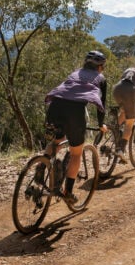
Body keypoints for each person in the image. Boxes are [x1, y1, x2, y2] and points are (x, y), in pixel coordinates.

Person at [41, 50, 108, 204]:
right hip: (75, 113)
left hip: (54, 107)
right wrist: (101, 125)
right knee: (76, 153)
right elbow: (101, 106)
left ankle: (40, 170)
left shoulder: (75, 73)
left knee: (56, 142)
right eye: (102, 67)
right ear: (99, 67)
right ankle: (68, 192)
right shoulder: (100, 78)